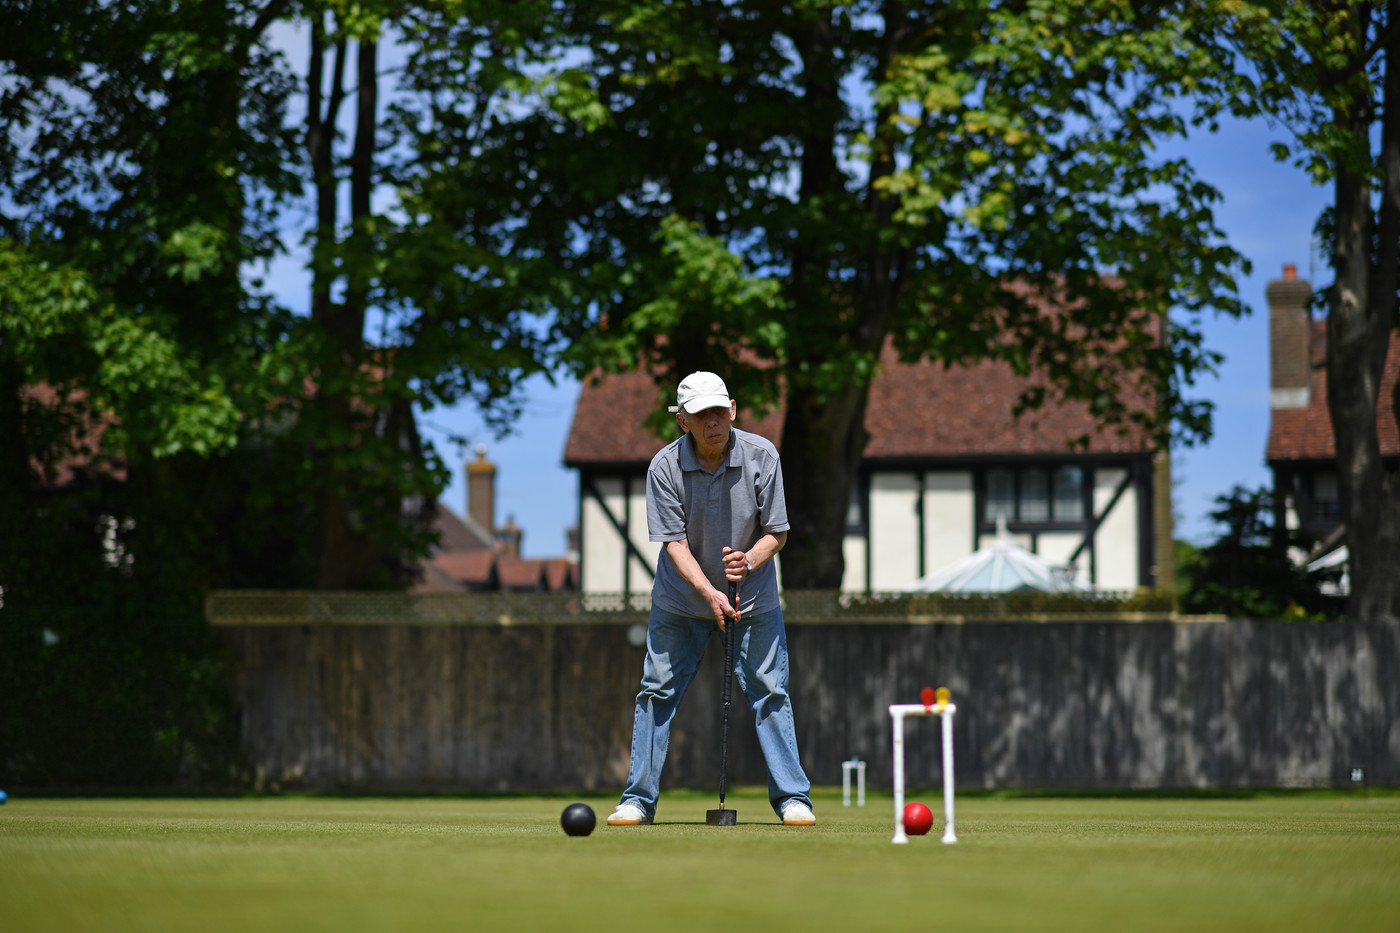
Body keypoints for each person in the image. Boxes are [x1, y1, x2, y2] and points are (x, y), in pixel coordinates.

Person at [607, 371, 815, 826]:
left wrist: (749, 561)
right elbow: (673, 543)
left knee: (770, 692)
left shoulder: (763, 455)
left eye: (719, 412)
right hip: (681, 601)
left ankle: (793, 799)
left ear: (733, 410)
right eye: (701, 415)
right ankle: (637, 801)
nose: (713, 422)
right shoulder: (664, 467)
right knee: (656, 691)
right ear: (683, 421)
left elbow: (776, 531)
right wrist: (709, 591)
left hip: (753, 599)